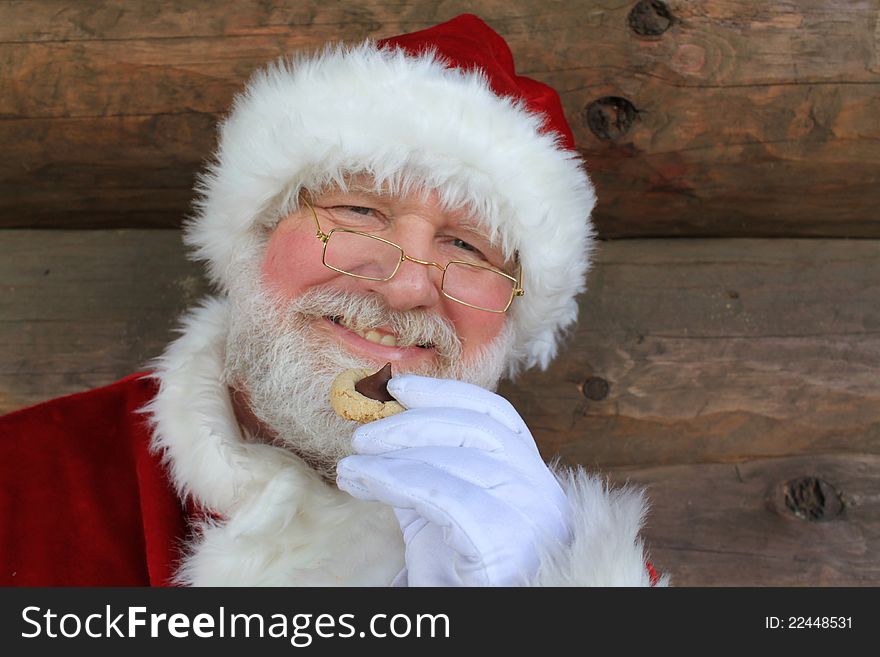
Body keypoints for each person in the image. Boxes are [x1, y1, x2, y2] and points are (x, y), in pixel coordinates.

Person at [0, 14, 665, 587]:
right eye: (357, 210)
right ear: (256, 234)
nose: (405, 285)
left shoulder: (553, 557)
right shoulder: (21, 480)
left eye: (468, 246)